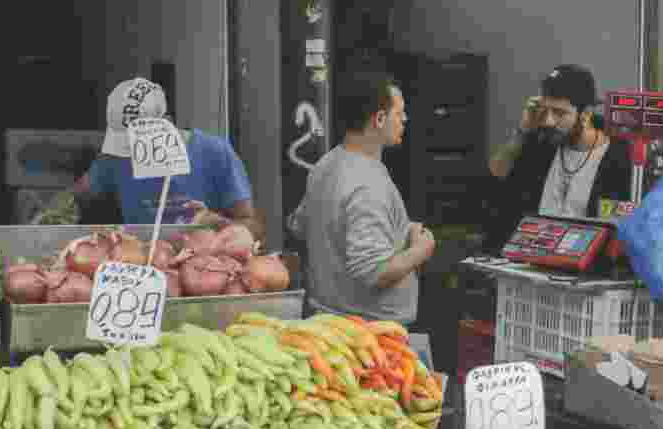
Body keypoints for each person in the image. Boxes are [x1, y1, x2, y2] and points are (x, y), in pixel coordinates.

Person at [287, 72, 435, 325]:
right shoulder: (367, 184)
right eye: (399, 114)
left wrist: (399, 230)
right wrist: (421, 250)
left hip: (328, 318)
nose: (405, 120)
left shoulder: (327, 163)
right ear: (378, 119)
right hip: (370, 333)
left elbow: (300, 225)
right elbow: (373, 271)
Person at [81, 77, 264, 239]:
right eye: (124, 140)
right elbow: (76, 196)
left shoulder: (215, 152)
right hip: (140, 265)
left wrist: (216, 222)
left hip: (205, 267)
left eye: (138, 136)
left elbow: (254, 228)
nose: (131, 146)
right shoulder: (115, 158)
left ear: (167, 122)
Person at [485, 65, 637, 250]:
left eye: (560, 113)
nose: (549, 121)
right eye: (545, 110)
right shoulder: (541, 142)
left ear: (586, 113)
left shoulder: (620, 156)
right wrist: (523, 131)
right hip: (528, 260)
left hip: (586, 267)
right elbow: (495, 178)